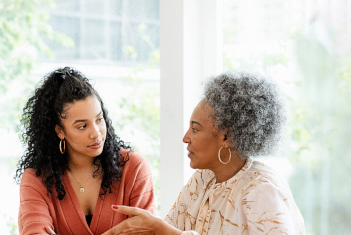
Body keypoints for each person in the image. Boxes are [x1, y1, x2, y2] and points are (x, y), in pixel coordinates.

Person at [104, 71, 305, 235]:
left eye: (195, 129)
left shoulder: (262, 190)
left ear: (226, 137)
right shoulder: (202, 179)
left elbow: (168, 231)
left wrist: (162, 230)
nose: (185, 137)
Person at [15, 67, 156, 235]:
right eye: (82, 126)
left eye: (99, 119)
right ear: (60, 131)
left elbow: (148, 231)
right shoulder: (36, 180)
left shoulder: (133, 167)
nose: (96, 133)